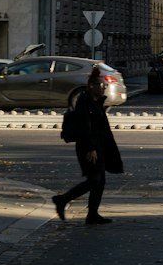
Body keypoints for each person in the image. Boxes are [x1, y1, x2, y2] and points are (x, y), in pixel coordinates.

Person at [52, 65, 124, 225]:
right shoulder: (84, 102)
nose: (103, 87)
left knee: (99, 181)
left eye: (104, 85)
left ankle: (92, 214)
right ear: (92, 86)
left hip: (98, 145)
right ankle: (62, 199)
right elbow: (85, 127)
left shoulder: (96, 102)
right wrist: (91, 148)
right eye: (100, 85)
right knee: (94, 180)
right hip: (88, 147)